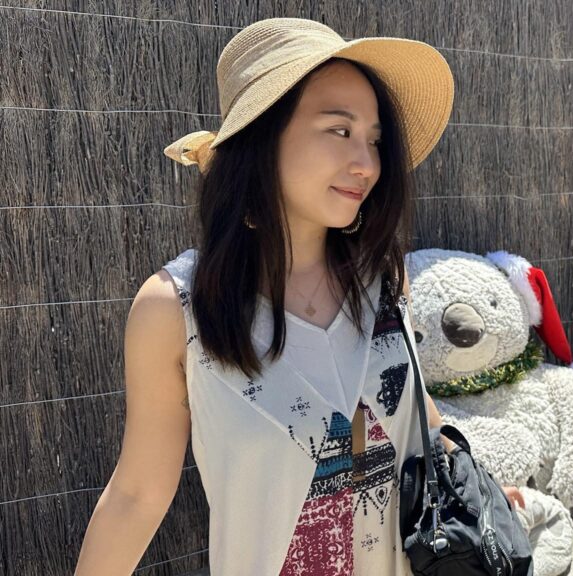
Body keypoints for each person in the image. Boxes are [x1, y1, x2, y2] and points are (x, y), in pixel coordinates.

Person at [74, 17, 523, 576]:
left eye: (374, 140)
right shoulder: (179, 308)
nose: (367, 164)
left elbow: (414, 413)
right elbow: (136, 495)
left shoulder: (383, 279)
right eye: (339, 130)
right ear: (263, 137)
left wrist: (479, 493)